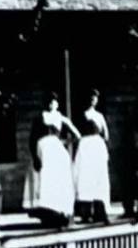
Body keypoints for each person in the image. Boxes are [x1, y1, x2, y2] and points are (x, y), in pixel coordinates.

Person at [23, 92, 79, 226]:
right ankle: (47, 214)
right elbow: (32, 139)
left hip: (57, 153)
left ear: (57, 104)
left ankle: (60, 213)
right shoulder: (39, 118)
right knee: (45, 182)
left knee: (58, 182)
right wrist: (35, 157)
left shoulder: (61, 118)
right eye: (48, 101)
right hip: (43, 151)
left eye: (53, 101)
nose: (51, 103)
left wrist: (64, 142)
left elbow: (77, 135)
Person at [72, 89, 111, 224]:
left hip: (97, 147)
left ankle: (100, 212)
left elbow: (106, 134)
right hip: (86, 147)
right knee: (86, 179)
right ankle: (85, 213)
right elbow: (76, 134)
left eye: (95, 98)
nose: (92, 100)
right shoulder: (81, 115)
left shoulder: (100, 116)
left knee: (99, 179)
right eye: (90, 97)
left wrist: (100, 142)